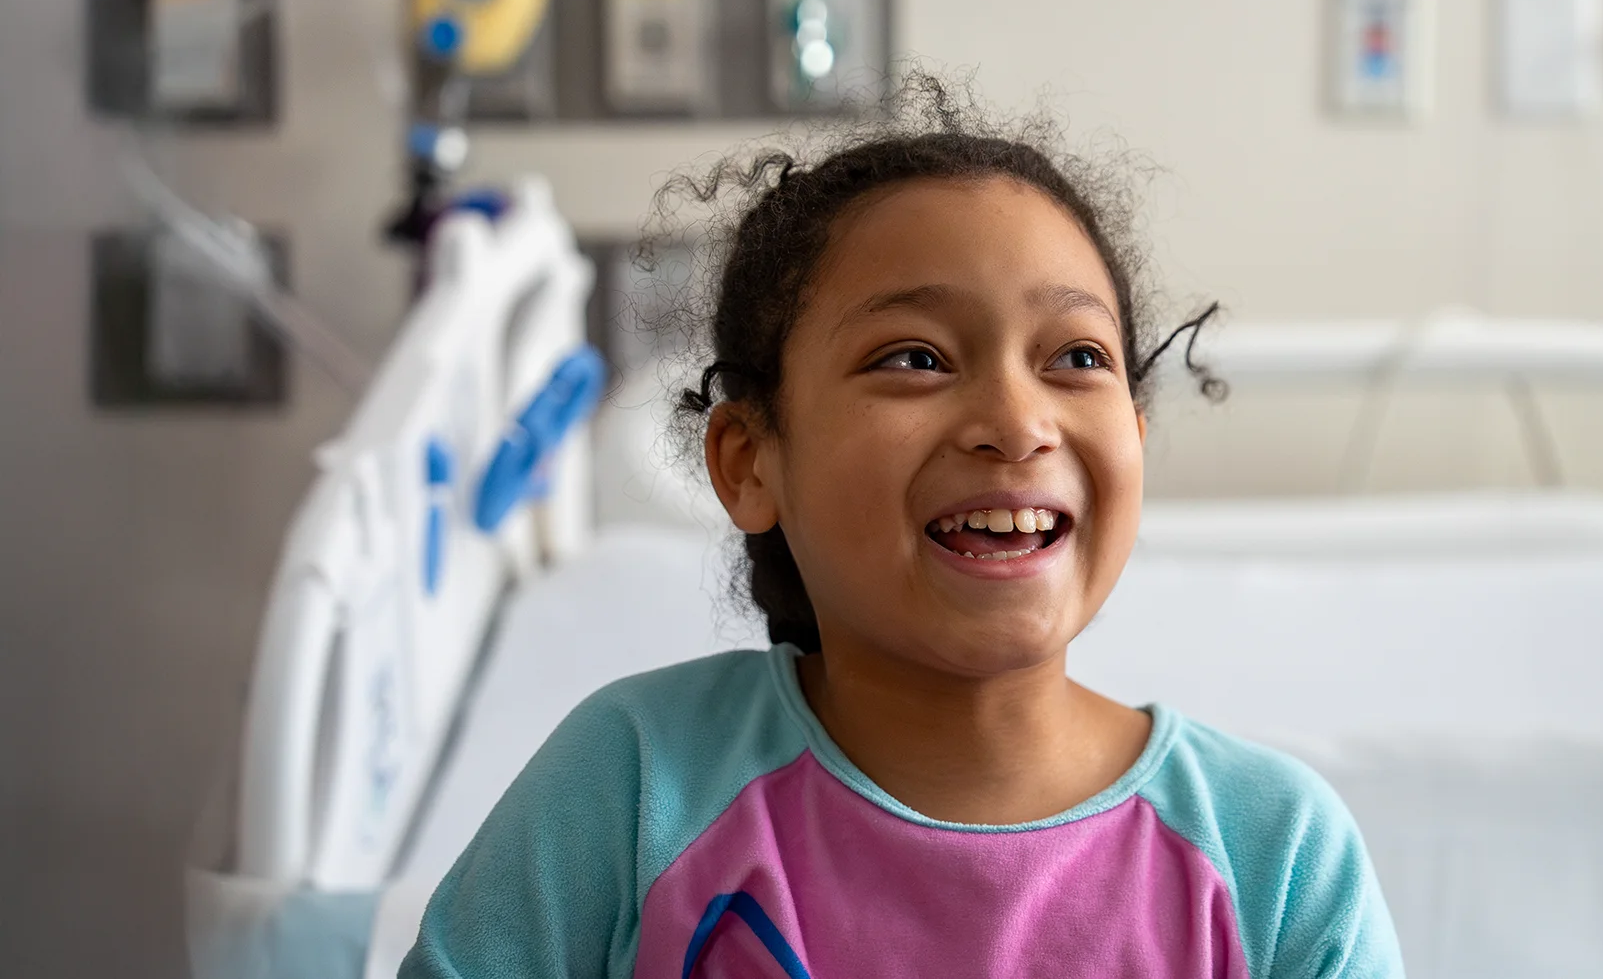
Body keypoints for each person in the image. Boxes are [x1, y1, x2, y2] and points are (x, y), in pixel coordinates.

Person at [401, 76, 1403, 979]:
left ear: (1135, 441)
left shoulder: (1273, 859)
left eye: (1078, 359)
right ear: (752, 463)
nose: (1017, 424)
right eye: (915, 359)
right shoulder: (636, 788)